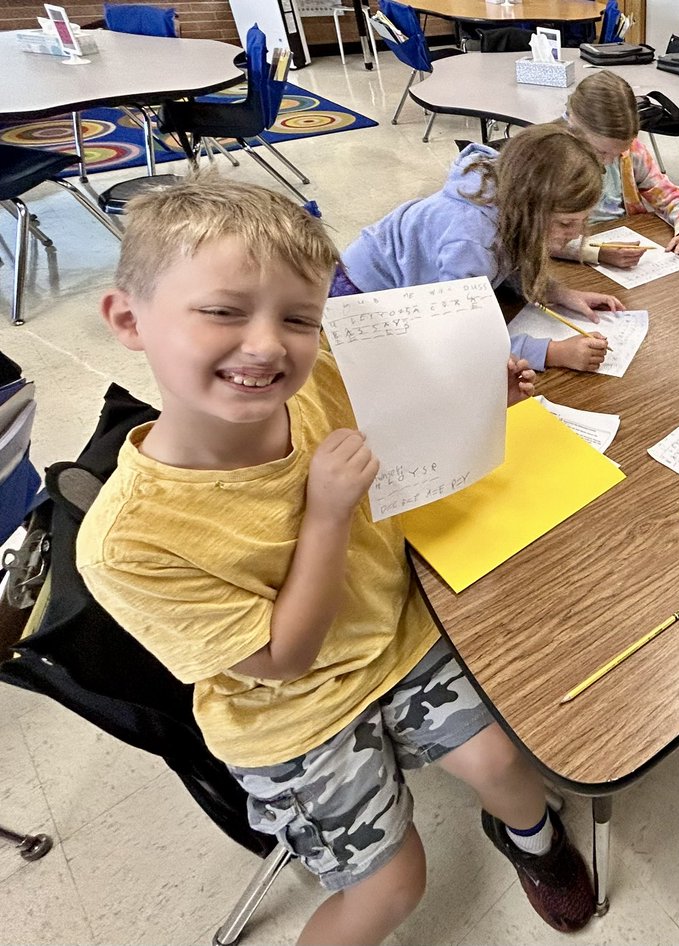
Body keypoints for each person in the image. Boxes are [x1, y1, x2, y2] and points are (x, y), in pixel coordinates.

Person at [76, 177, 596, 945]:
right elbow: (284, 661)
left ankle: (533, 842)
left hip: (393, 633)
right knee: (391, 886)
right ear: (129, 318)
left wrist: (483, 394)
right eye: (223, 311)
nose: (265, 344)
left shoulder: (320, 376)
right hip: (288, 715)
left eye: (298, 318)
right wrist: (325, 512)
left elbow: (406, 418)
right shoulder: (129, 540)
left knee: (506, 769)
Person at [337, 123, 616, 374]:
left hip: (397, 288)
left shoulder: (507, 190)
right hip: (358, 300)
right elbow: (455, 338)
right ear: (529, 208)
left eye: (581, 221)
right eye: (566, 223)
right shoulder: (471, 241)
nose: (576, 233)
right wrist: (552, 352)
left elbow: (508, 260)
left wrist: (557, 293)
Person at [560, 69, 679, 268]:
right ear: (573, 125)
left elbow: (668, 195)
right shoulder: (553, 160)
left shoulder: (630, 151)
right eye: (602, 153)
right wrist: (597, 253)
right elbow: (537, 238)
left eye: (620, 151)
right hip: (568, 261)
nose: (610, 162)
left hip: (622, 244)